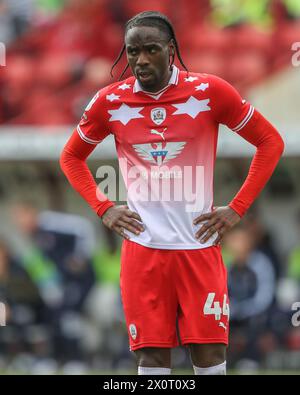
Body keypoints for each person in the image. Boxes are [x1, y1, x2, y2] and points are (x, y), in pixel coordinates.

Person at [60, 11, 284, 375]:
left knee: (210, 357)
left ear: (171, 48)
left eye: (151, 49)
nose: (141, 60)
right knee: (151, 360)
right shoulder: (110, 101)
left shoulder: (209, 92)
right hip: (142, 252)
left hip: (199, 248)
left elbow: (270, 141)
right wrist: (103, 207)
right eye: (132, 52)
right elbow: (70, 156)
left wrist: (237, 207)